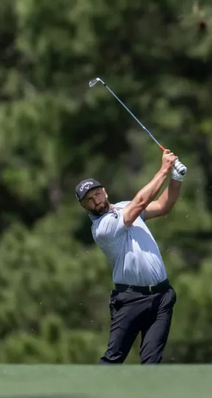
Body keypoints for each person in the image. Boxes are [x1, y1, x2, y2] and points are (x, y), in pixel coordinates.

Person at [75, 149, 187, 364]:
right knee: (113, 359)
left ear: (104, 192)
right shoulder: (102, 228)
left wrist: (176, 178)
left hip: (161, 296)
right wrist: (164, 169)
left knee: (151, 362)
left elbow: (163, 206)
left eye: (97, 194)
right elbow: (141, 202)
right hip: (130, 300)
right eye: (89, 200)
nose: (96, 200)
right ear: (84, 206)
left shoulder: (123, 207)